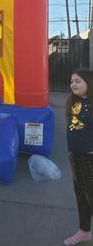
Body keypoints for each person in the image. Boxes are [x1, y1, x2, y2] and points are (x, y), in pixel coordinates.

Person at [64, 68, 93, 245]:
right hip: (75, 157)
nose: (73, 84)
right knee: (81, 196)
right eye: (72, 81)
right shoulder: (73, 101)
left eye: (78, 81)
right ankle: (84, 231)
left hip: (90, 159)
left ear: (89, 83)